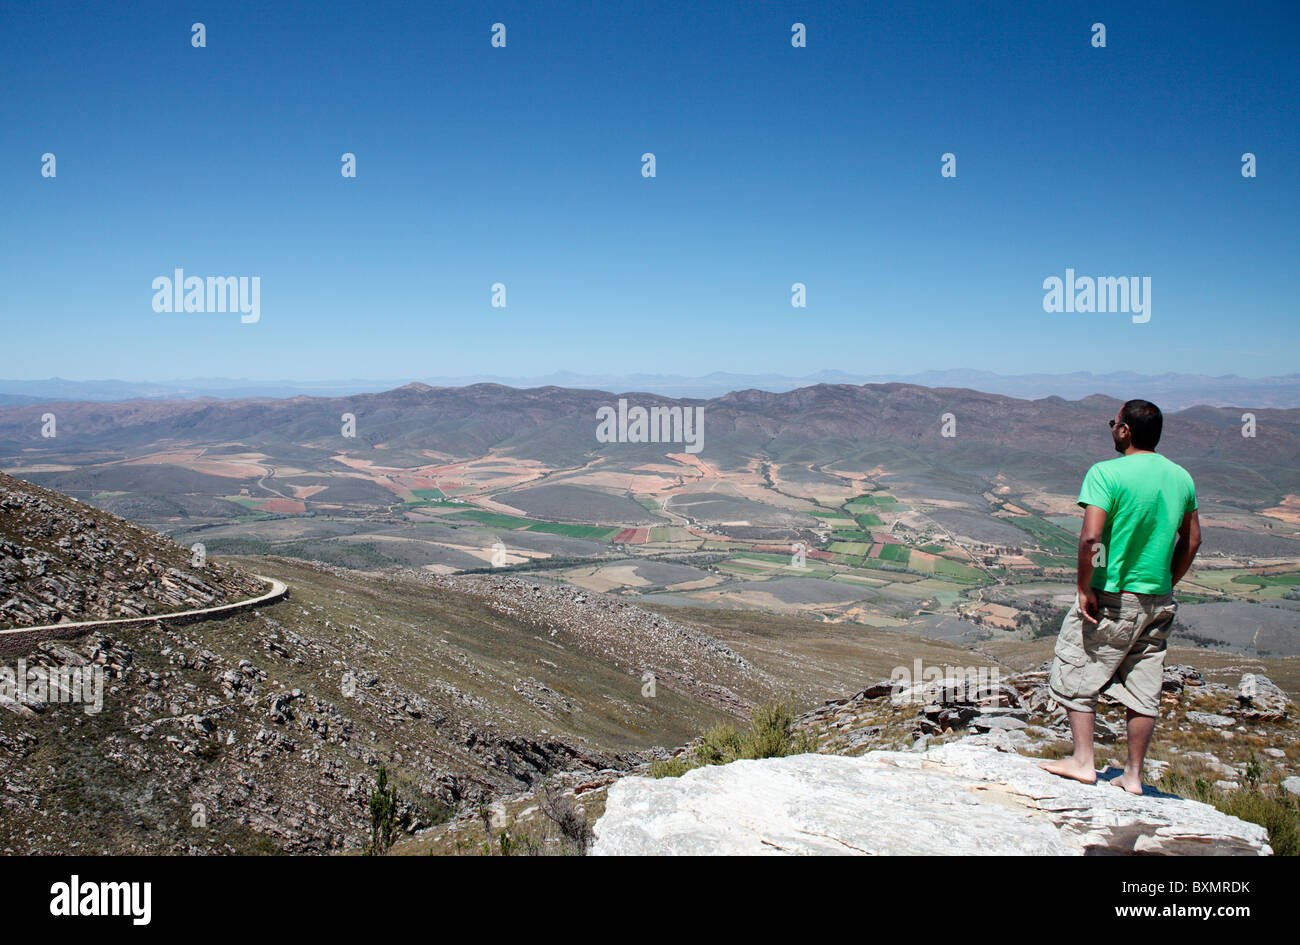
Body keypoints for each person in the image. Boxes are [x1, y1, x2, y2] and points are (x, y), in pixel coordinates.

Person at [1038, 399, 1200, 795]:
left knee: (1077, 666)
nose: (1112, 428)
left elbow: (1092, 537)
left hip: (1112, 594)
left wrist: (1084, 586)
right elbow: (1192, 540)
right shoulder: (1181, 477)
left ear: (1125, 430)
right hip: (1157, 598)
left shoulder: (1105, 474)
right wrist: (1168, 581)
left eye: (1114, 423)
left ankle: (1082, 761)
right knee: (1145, 684)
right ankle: (1132, 776)